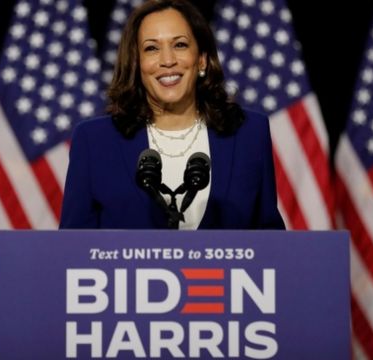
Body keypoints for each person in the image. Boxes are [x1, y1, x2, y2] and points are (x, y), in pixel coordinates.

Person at [59, 0, 285, 230]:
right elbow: (74, 247)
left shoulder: (249, 133)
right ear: (137, 64)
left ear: (202, 59)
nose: (167, 61)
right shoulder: (95, 140)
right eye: (152, 48)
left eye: (180, 45)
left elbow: (269, 241)